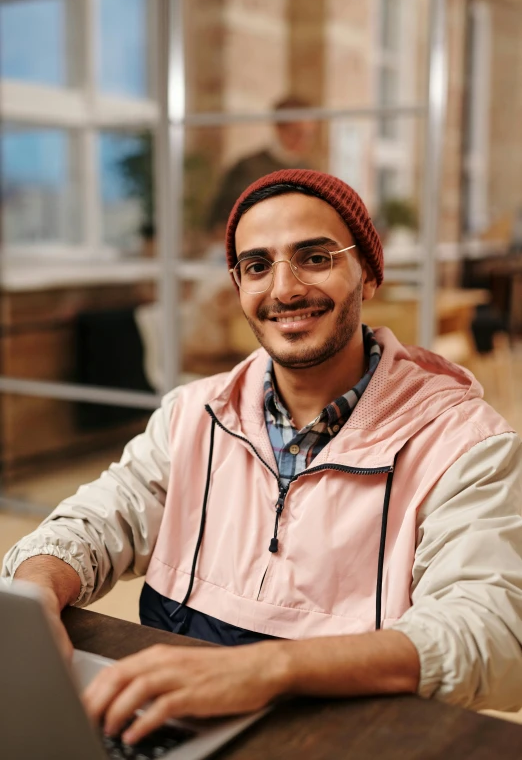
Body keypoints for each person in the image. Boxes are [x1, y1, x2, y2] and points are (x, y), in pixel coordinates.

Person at [3, 169, 522, 747]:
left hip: (350, 741)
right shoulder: (192, 415)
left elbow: (495, 635)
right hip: (176, 726)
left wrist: (267, 670)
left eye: (316, 257)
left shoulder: (465, 444)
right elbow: (97, 521)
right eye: (257, 266)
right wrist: (36, 593)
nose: (285, 289)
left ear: (369, 274)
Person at [205, 96, 318, 235]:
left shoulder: (309, 171)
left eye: (310, 134)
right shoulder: (247, 167)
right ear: (279, 128)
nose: (305, 140)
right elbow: (219, 220)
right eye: (298, 133)